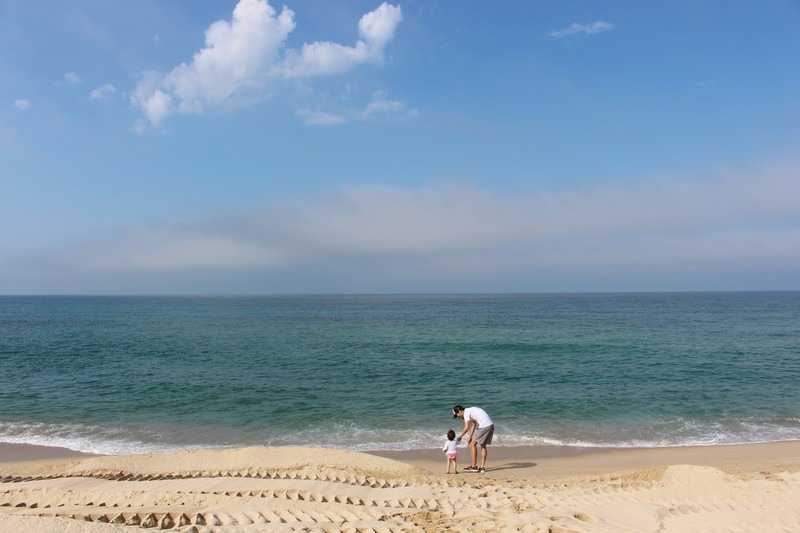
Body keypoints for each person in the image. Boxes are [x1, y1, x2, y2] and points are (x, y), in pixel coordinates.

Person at [453, 404, 494, 473]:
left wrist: (460, 436)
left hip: (484, 426)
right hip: (490, 425)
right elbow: (474, 424)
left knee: (472, 444)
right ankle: (482, 467)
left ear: (460, 411)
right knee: (483, 446)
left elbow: (466, 428)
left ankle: (474, 466)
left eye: (457, 415)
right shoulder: (470, 410)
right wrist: (470, 437)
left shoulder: (466, 413)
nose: (458, 417)